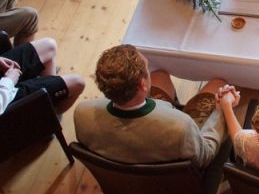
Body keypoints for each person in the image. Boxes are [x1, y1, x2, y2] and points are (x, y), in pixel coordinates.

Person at [74, 44, 235, 168]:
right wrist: (223, 110)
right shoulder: (181, 127)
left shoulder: (82, 113)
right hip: (177, 173)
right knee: (219, 83)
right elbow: (204, 156)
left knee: (160, 75)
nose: (148, 71)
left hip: (127, 164)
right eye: (146, 69)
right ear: (143, 84)